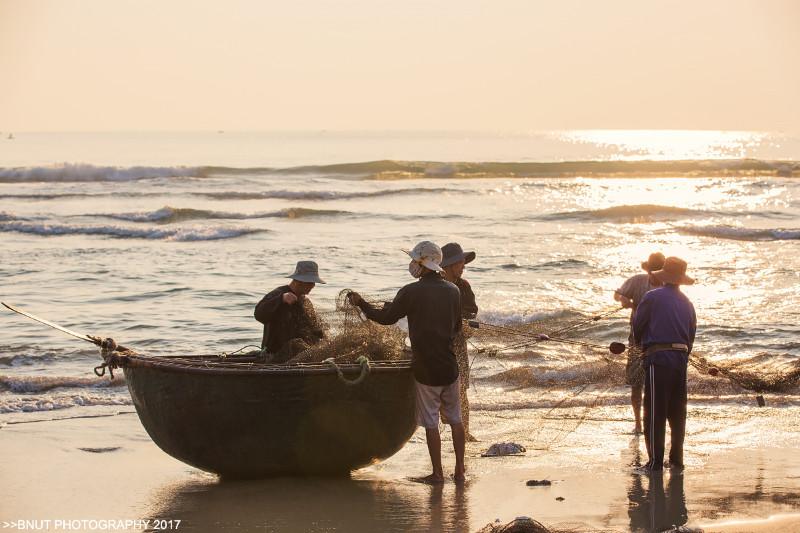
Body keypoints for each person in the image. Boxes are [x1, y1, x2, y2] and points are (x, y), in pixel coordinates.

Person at [348, 241, 465, 483]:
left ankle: (437, 474)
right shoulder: (454, 291)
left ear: (423, 263)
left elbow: (386, 318)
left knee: (431, 422)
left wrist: (361, 303)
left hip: (426, 369)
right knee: (455, 419)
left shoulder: (411, 291)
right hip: (450, 366)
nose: (412, 264)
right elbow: (456, 328)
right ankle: (460, 471)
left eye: (415, 260)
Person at [633, 256, 696, 472]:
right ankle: (676, 459)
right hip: (680, 360)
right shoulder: (688, 303)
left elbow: (638, 327)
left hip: (658, 360)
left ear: (664, 275)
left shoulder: (652, 296)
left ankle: (655, 463)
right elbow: (691, 336)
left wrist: (641, 346)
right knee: (678, 411)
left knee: (653, 412)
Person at [615, 252, 666, 434]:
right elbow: (618, 294)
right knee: (637, 382)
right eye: (653, 271)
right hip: (637, 338)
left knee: (658, 383)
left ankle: (655, 420)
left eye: (659, 271)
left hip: (660, 339)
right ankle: (638, 423)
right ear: (649, 270)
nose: (656, 275)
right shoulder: (637, 281)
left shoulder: (669, 287)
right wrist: (625, 301)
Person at [439, 242, 478, 441]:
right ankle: (449, 426)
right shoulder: (434, 283)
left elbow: (472, 310)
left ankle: (465, 431)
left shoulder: (464, 286)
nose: (463, 265)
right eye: (460, 262)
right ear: (450, 265)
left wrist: (462, 320)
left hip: (459, 343)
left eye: (464, 261)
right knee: (438, 391)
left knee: (461, 388)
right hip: (437, 345)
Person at [254, 261, 326, 363]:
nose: (313, 285)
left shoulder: (305, 302)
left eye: (314, 282)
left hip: (299, 356)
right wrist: (281, 299)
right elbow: (259, 314)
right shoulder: (278, 294)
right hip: (274, 355)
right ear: (298, 281)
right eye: (310, 282)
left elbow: (313, 328)